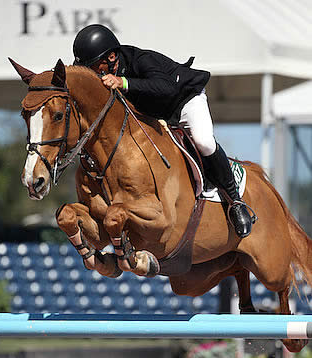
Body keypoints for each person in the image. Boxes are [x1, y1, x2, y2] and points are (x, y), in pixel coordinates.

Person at [72, 24, 253, 238]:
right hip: (157, 114)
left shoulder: (140, 60)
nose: (92, 72)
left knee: (204, 142)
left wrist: (123, 82)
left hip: (184, 101)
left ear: (111, 57)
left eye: (93, 66)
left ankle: (235, 201)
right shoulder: (106, 74)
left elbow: (166, 88)